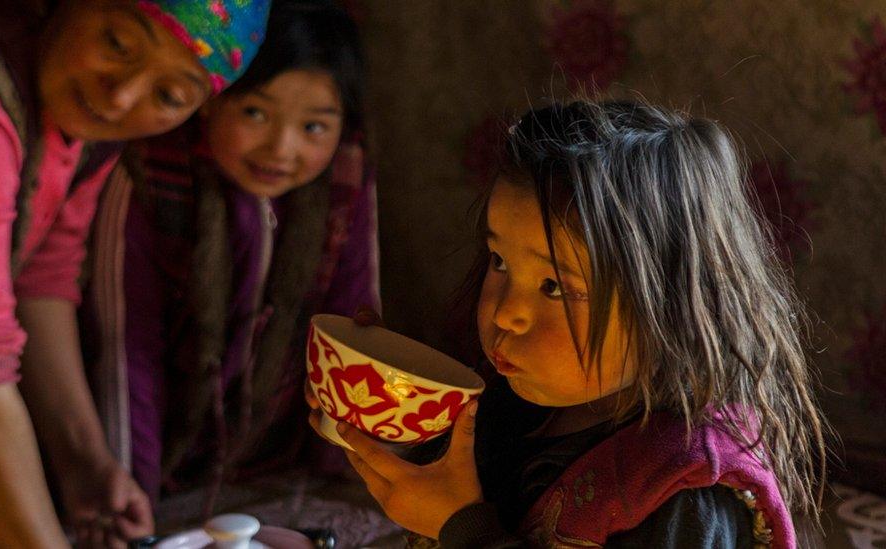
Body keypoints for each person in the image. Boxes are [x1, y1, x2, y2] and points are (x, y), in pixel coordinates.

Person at [309, 100, 828, 548]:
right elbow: (451, 484)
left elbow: (459, 518)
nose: (504, 312)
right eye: (499, 262)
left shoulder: (686, 495)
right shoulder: (524, 403)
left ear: (670, 309)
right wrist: (388, 421)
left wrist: (462, 527)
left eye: (554, 286)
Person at [0, 0, 270, 547]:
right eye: (118, 43)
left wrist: (84, 461)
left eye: (170, 95)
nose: (121, 95)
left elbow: (40, 276)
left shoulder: (81, 118)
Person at [83, 0, 377, 509]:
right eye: (255, 112)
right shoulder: (148, 171)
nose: (281, 149)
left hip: (277, 464)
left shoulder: (345, 174)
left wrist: (350, 474)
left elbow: (353, 323)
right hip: (154, 463)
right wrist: (134, 490)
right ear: (211, 99)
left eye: (314, 127)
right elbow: (127, 346)